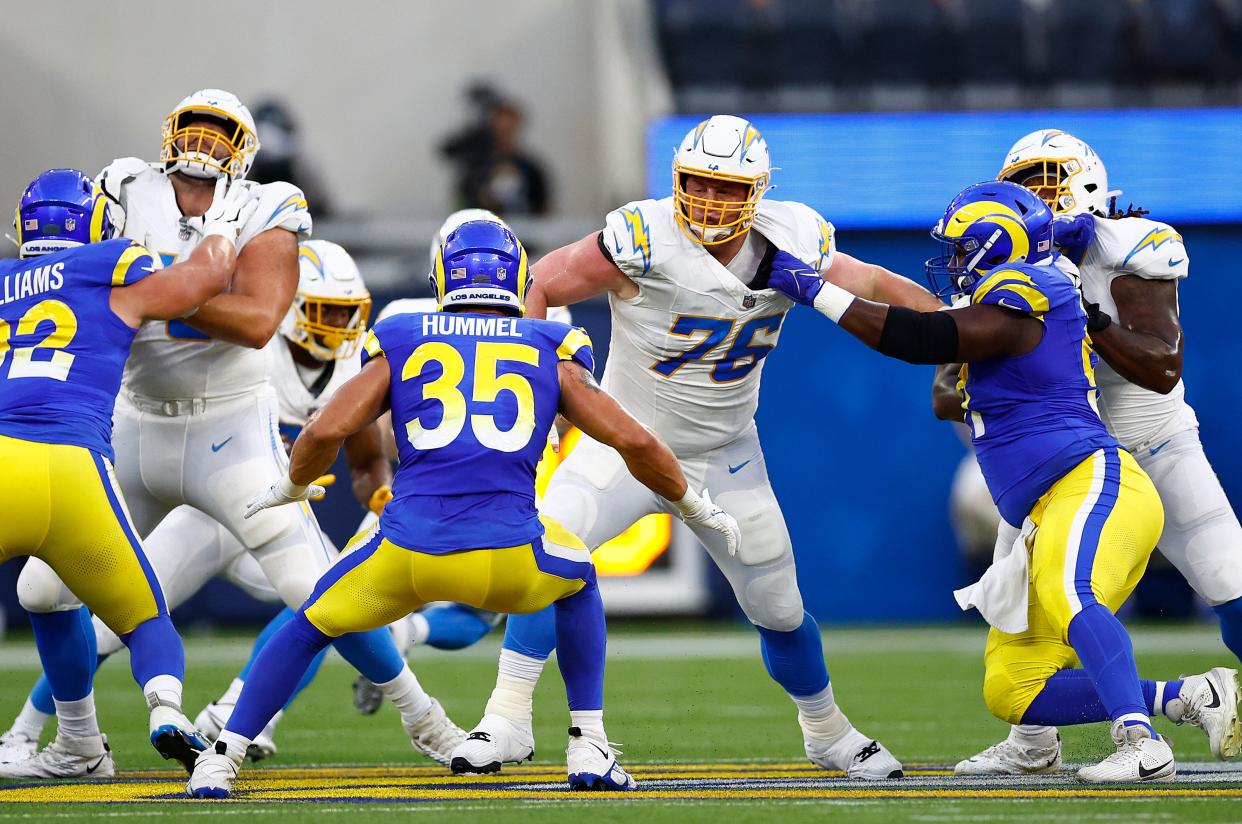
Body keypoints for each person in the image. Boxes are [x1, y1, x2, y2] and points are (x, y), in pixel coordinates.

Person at [451, 115, 944, 780]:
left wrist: (954, 339)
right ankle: (506, 718)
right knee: (550, 552)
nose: (710, 202)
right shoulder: (642, 235)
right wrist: (551, 387)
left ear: (760, 191)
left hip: (726, 456)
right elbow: (541, 282)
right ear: (676, 182)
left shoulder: (792, 236)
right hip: (621, 445)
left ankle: (826, 729)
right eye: (697, 184)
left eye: (727, 188)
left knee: (781, 610)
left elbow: (881, 287)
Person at [185, 220, 742, 797]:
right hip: (509, 557)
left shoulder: (402, 333)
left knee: (308, 624)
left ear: (442, 278)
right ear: (519, 277)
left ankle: (222, 756)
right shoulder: (550, 344)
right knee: (577, 580)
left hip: (404, 554)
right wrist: (690, 503)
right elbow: (637, 442)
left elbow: (329, 427)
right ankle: (589, 744)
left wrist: (292, 485)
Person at [3, 89, 459, 774]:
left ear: (243, 151)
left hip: (229, 427)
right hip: (132, 423)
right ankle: (73, 742)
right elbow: (72, 279)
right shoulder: (126, 183)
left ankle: (427, 719)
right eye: (197, 130)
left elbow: (257, 319)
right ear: (169, 134)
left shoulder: (266, 203)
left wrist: (165, 294)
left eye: (223, 134)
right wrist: (166, 288)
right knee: (43, 590)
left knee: (319, 589)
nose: (206, 146)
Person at [764, 179, 1239, 782]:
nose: (953, 262)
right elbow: (941, 366)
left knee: (1072, 595)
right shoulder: (1004, 297)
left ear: (998, 244)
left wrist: (813, 290)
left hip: (1091, 484)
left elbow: (918, 338)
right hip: (1042, 505)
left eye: (962, 248)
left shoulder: (1033, 291)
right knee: (1011, 687)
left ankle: (1141, 743)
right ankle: (1185, 697)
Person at [947, 128, 1242, 775]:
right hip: (1060, 464)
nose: (1038, 200)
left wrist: (1074, 307)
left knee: (1229, 579)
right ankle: (1034, 743)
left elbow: (1162, 366)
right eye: (1024, 188)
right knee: (1022, 616)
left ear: (1087, 183)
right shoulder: (1005, 271)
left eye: (1049, 182)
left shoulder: (1127, 244)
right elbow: (950, 393)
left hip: (1150, 445)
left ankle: (1150, 733)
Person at [0, 168, 251, 778]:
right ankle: (166, 707)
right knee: (143, 618)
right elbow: (202, 282)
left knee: (47, 599)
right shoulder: (111, 263)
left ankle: (81, 745)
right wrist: (222, 223)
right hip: (75, 465)